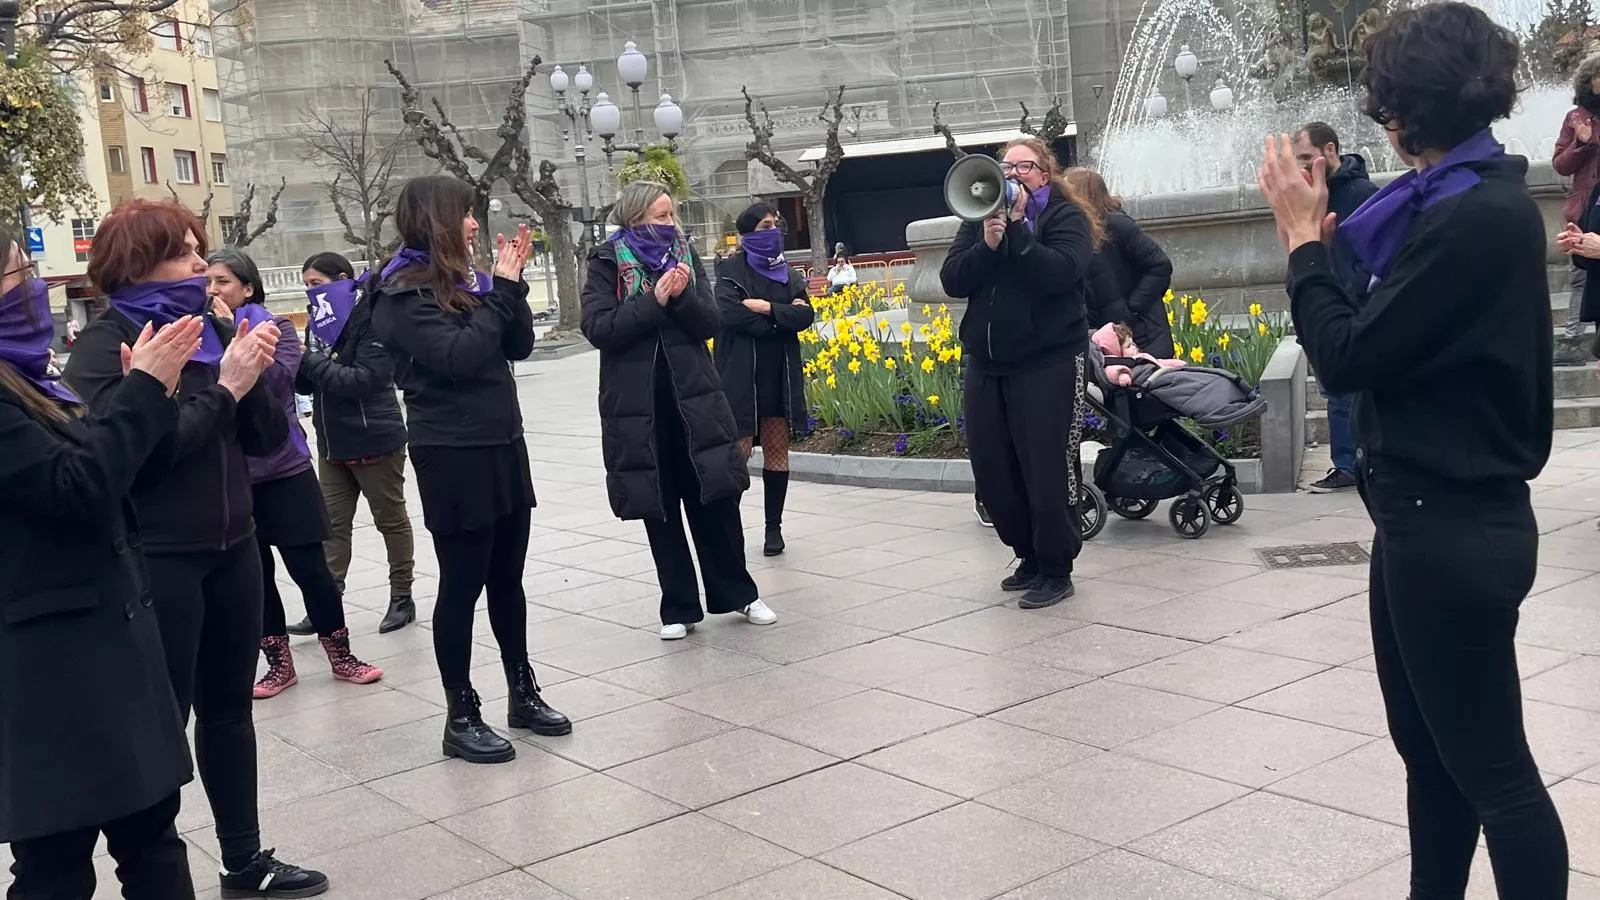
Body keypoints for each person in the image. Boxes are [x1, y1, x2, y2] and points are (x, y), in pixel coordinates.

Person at [1258, 4, 1568, 896]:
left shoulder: (1476, 216)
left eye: (1382, 96)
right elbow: (1379, 332)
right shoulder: (1460, 201)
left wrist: (1300, 245)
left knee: (1496, 776)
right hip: (1423, 518)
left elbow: (1351, 353)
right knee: (1432, 759)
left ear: (1404, 111)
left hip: (1453, 525)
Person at [62, 199, 329, 897]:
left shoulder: (211, 329)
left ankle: (244, 859)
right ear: (135, 261)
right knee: (163, 724)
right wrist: (226, 390)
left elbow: (269, 439)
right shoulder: (106, 346)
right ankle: (153, 869)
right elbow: (142, 459)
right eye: (183, 255)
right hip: (158, 559)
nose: (202, 272)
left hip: (234, 545)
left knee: (229, 712)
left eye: (201, 256)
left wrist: (253, 372)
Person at [0, 227, 200, 899]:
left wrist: (155, 397)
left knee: (153, 844)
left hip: (104, 653)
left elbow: (119, 474)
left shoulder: (31, 375)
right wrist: (144, 389)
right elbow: (74, 490)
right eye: (18, 273)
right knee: (54, 866)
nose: (35, 288)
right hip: (49, 671)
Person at [370, 175, 570, 765]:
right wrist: (501, 291)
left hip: (503, 442)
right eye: (466, 214)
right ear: (436, 219)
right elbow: (456, 358)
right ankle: (460, 713)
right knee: (463, 583)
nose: (476, 224)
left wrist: (508, 288)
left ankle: (521, 692)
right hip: (452, 452)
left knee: (508, 576)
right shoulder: (400, 293)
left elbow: (517, 347)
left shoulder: (468, 283)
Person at [581, 181, 776, 641]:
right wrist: (655, 301)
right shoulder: (606, 261)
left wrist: (683, 294)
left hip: (696, 400)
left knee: (716, 498)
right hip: (639, 408)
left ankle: (738, 594)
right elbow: (599, 327)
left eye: (672, 215)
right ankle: (678, 606)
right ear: (635, 220)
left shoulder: (685, 256)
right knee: (660, 506)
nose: (671, 224)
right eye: (661, 216)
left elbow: (711, 322)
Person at [205, 248, 383, 700]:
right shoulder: (197, 334)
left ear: (247, 287)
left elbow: (275, 385)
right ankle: (278, 664)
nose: (213, 291)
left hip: (284, 469)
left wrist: (231, 336)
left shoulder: (277, 328)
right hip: (234, 475)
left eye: (223, 282)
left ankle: (341, 654)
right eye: (207, 282)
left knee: (311, 570)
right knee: (257, 576)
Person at [940, 137, 1100, 610]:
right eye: (1004, 167)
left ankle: (1056, 567)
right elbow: (952, 279)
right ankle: (1026, 555)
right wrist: (988, 243)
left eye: (1022, 167)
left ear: (1044, 175)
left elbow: (1061, 273)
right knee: (993, 471)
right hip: (988, 363)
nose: (1011, 175)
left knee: (1048, 468)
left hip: (1049, 360)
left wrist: (1020, 234)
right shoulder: (977, 221)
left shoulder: (1063, 219)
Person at [294, 251, 416, 635]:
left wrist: (309, 361)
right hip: (332, 443)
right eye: (307, 286)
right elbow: (309, 383)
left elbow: (362, 380)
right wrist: (296, 363)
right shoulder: (319, 322)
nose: (312, 292)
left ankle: (401, 596)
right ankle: (327, 603)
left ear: (343, 279)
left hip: (374, 437)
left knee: (390, 520)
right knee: (330, 525)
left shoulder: (371, 318)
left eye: (318, 283)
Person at [714, 201, 815, 557]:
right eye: (764, 226)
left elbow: (807, 316)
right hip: (741, 374)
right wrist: (783, 318)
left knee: (776, 450)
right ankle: (726, 528)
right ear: (746, 235)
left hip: (779, 374)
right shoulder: (729, 270)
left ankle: (774, 528)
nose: (772, 231)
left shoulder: (789, 273)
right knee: (736, 453)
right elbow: (732, 316)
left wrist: (768, 309)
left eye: (776, 224)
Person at [1289, 122, 1380, 494]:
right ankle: (1348, 463)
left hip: (1354, 307)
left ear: (1330, 151)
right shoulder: (1312, 194)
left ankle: (1353, 463)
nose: (1303, 168)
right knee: (1334, 393)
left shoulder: (1362, 193)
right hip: (1327, 305)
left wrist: (1350, 288)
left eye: (1307, 159)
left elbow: (1377, 254)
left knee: (1346, 394)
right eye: (1298, 161)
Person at [1065, 166, 1175, 358]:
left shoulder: (1116, 225)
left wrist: (1131, 308)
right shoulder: (1075, 232)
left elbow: (1160, 265)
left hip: (1141, 337)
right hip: (1108, 338)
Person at [1553, 53, 1600, 362]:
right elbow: (1560, 165)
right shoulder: (1576, 117)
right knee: (1582, 275)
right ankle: (1572, 340)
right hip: (1586, 208)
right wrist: (1581, 142)